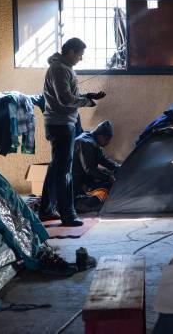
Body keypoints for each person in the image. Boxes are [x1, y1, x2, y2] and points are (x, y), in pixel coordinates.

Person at [39, 38, 106, 226]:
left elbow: (68, 95)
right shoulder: (59, 68)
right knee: (64, 171)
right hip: (61, 125)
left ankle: (46, 210)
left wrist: (86, 96)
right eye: (79, 55)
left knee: (56, 169)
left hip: (61, 123)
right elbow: (65, 99)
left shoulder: (63, 67)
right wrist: (86, 102)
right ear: (70, 52)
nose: (80, 59)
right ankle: (68, 215)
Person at [73, 121, 121, 212]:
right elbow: (89, 169)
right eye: (107, 139)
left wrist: (118, 167)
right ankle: (81, 203)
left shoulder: (92, 141)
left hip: (84, 179)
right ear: (100, 136)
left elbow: (103, 159)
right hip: (77, 183)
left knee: (109, 179)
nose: (108, 142)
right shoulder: (85, 142)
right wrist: (108, 178)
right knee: (108, 186)